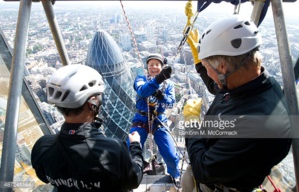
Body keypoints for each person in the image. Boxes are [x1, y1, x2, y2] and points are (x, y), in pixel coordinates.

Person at [182, 15, 292, 191]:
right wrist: (200, 64)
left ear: (223, 67)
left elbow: (203, 168)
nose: (206, 72)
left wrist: (192, 124)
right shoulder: (251, 82)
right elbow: (218, 86)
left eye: (206, 66)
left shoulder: (257, 124)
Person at [31, 64, 144, 192]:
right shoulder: (112, 150)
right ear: (93, 103)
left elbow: (45, 177)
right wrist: (135, 145)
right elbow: (134, 179)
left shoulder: (43, 147)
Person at [126, 53, 181, 188]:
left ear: (161, 67)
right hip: (141, 118)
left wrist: (160, 95)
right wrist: (158, 80)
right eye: (151, 65)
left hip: (159, 119)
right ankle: (129, 179)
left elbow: (169, 104)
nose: (154, 67)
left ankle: (175, 175)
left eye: (157, 65)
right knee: (129, 149)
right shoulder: (141, 79)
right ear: (147, 68)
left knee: (170, 154)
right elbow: (141, 92)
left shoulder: (168, 85)